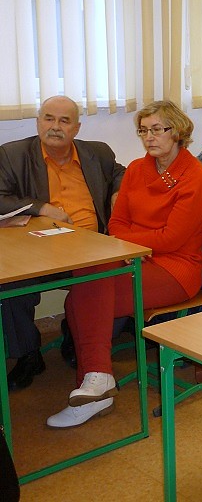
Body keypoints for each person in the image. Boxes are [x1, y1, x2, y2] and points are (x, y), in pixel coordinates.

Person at [46, 101, 202, 428]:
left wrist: (132, 244)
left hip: (176, 269)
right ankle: (97, 382)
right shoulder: (136, 169)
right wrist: (133, 245)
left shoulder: (195, 176)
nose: (149, 137)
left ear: (177, 132)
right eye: (143, 130)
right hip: (135, 257)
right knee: (86, 279)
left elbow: (172, 239)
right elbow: (116, 222)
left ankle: (97, 384)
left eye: (157, 129)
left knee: (81, 298)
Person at [0, 96, 125, 390]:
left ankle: (76, 337)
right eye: (49, 118)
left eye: (64, 121)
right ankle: (28, 354)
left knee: (117, 275)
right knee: (9, 284)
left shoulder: (98, 153)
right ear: (38, 122)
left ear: (76, 128)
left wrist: (118, 192)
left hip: (92, 250)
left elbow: (122, 173)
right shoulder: (13, 155)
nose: (55, 126)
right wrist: (41, 207)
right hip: (40, 253)